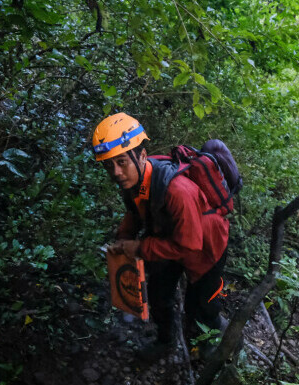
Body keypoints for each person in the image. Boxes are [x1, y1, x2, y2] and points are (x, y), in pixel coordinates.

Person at [92, 112, 230, 358]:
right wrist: (124, 237)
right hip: (167, 237)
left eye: (121, 162)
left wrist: (140, 248)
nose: (116, 172)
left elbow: (189, 245)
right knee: (158, 293)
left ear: (141, 155)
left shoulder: (178, 191)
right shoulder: (135, 178)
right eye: (108, 165)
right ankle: (166, 342)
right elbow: (136, 211)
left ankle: (215, 350)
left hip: (206, 246)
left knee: (201, 307)